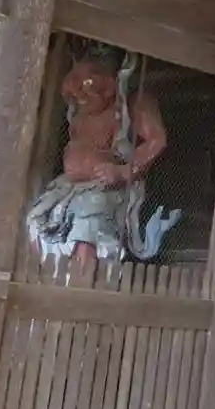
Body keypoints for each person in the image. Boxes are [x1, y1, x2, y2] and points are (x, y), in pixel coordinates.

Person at [26, 51, 167, 270]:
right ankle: (43, 275)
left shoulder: (130, 103)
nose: (79, 95)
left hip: (106, 187)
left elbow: (157, 141)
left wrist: (122, 172)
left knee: (88, 220)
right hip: (68, 188)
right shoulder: (79, 110)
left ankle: (83, 280)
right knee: (37, 219)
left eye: (88, 85)